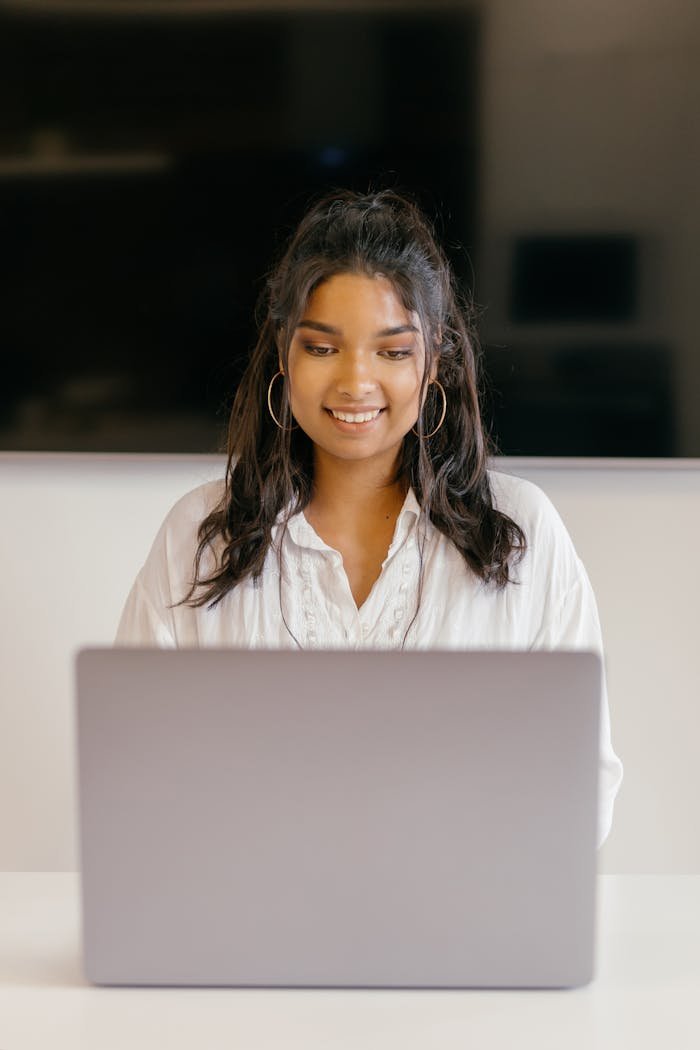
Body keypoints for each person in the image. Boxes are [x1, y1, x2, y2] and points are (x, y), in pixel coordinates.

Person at [116, 188, 622, 844]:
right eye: (323, 348)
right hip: (250, 926)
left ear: (433, 358)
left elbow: (583, 785)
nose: (356, 381)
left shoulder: (520, 533)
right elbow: (132, 772)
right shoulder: (198, 536)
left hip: (459, 928)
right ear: (283, 354)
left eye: (392, 350)